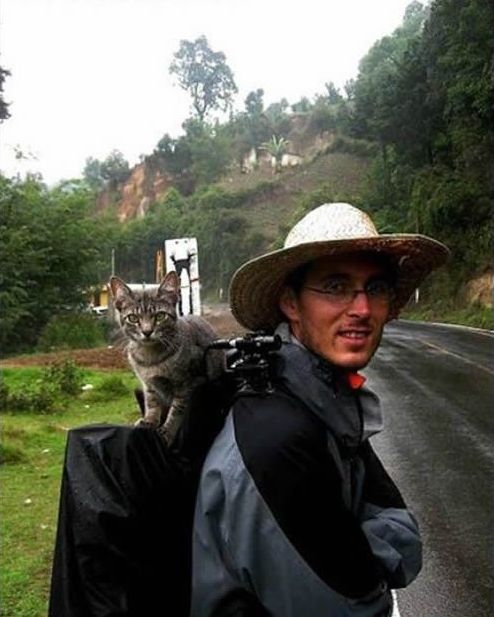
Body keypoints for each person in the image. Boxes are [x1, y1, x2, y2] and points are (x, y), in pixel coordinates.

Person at [191, 202, 449, 617]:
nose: (362, 309)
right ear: (291, 304)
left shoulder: (322, 401)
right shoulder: (275, 438)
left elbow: (398, 528)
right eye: (335, 286)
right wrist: (369, 555)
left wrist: (364, 550)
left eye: (376, 288)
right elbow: (355, 605)